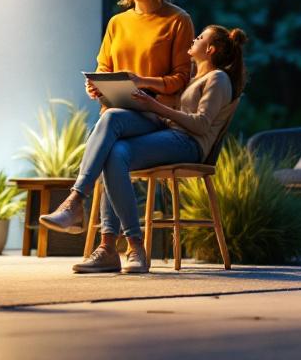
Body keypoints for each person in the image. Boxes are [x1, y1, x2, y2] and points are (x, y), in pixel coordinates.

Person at [38, 0, 194, 272]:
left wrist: (143, 81)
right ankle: (123, 248)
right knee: (115, 153)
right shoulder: (117, 23)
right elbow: (103, 66)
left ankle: (76, 201)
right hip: (120, 117)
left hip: (157, 118)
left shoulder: (178, 20)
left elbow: (181, 79)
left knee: (110, 123)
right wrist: (94, 86)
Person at [45, 24, 247, 273]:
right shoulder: (196, 78)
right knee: (113, 135)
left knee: (117, 151)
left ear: (211, 49)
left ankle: (110, 231)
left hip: (189, 145)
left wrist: (154, 106)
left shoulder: (218, 79)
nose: (194, 39)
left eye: (200, 37)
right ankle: (113, 238)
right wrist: (132, 95)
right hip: (170, 135)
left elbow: (201, 125)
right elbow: (169, 109)